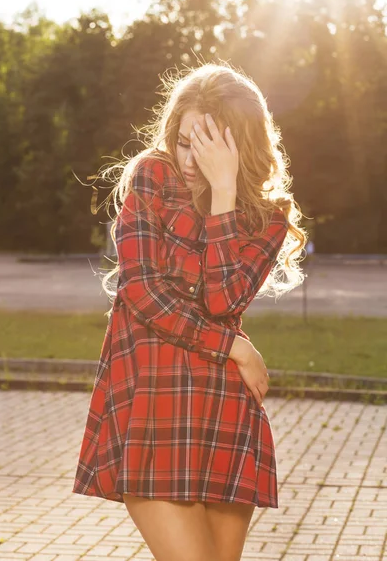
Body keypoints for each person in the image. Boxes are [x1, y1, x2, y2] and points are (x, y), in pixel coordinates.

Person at [72, 62, 306, 561]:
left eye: (208, 144)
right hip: (153, 407)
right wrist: (233, 346)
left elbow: (223, 299)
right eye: (184, 141)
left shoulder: (268, 218)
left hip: (225, 412)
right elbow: (142, 291)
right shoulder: (151, 177)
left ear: (240, 147)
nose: (192, 158)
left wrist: (223, 196)